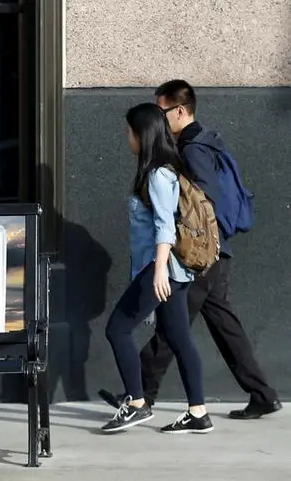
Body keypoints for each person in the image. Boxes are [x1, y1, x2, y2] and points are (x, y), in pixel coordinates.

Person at [99, 80, 282, 420]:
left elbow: (201, 205)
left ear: (179, 111)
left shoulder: (192, 149)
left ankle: (140, 396)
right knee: (218, 325)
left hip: (196, 254)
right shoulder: (207, 142)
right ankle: (261, 394)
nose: (158, 116)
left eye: (162, 110)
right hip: (211, 252)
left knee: (173, 330)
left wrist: (189, 251)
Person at [100, 102, 213, 434]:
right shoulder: (164, 169)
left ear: (142, 134)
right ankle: (198, 413)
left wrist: (159, 270)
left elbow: (165, 226)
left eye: (129, 131)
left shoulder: (157, 175)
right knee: (179, 338)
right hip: (171, 270)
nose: (127, 137)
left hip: (161, 268)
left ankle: (136, 403)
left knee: (117, 329)